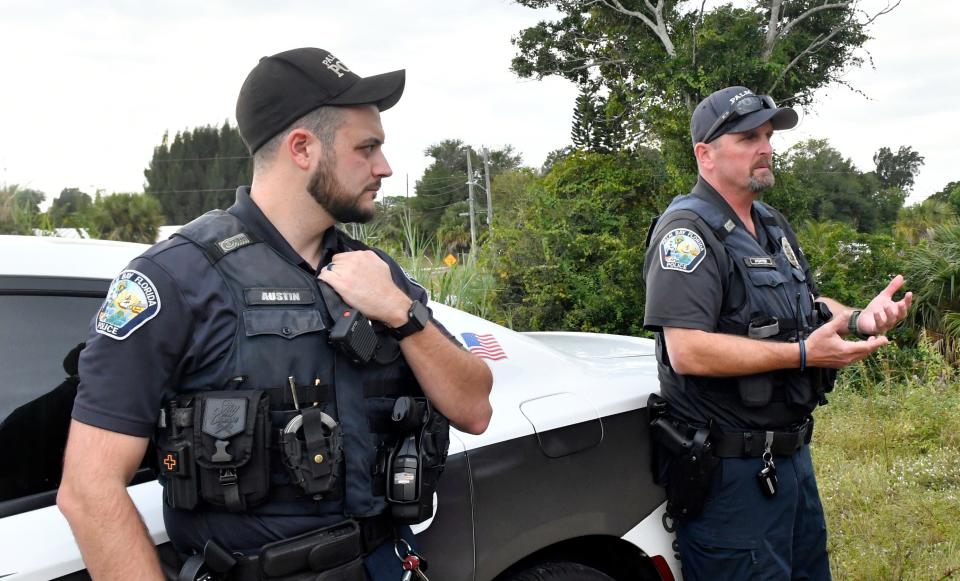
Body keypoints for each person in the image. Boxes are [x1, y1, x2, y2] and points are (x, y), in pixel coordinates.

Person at [57, 47, 493, 581]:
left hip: (386, 564)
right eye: (367, 147)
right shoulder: (175, 280)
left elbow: (474, 408)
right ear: (303, 148)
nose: (385, 167)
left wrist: (400, 312)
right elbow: (88, 489)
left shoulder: (374, 270)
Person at [642, 86, 911, 580]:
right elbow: (687, 350)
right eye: (748, 137)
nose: (765, 146)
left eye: (768, 135)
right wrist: (804, 354)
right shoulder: (686, 233)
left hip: (790, 462)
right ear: (706, 154)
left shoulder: (770, 224)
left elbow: (806, 306)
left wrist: (856, 319)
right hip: (730, 476)